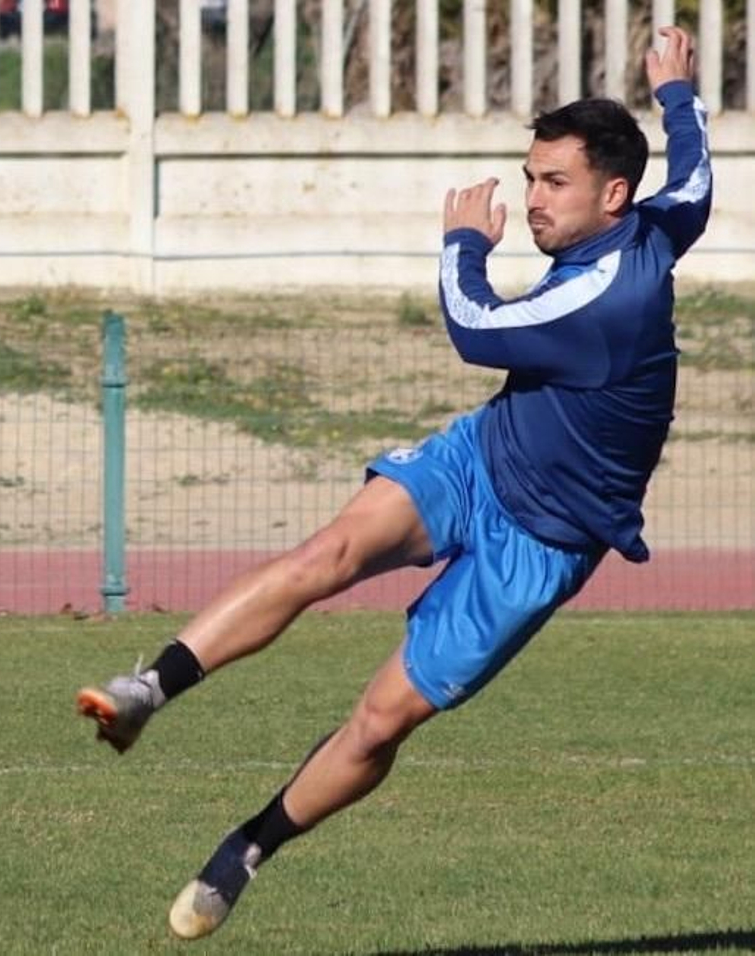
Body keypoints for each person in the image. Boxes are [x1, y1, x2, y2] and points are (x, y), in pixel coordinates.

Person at [75, 26, 712, 941]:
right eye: (529, 177)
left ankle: (248, 847)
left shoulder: (606, 297)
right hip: (480, 459)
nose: (533, 199)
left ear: (613, 195)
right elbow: (694, 175)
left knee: (379, 722)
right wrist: (679, 94)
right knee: (326, 552)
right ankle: (149, 688)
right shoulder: (661, 217)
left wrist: (461, 243)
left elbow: (475, 327)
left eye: (554, 183)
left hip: (543, 546)